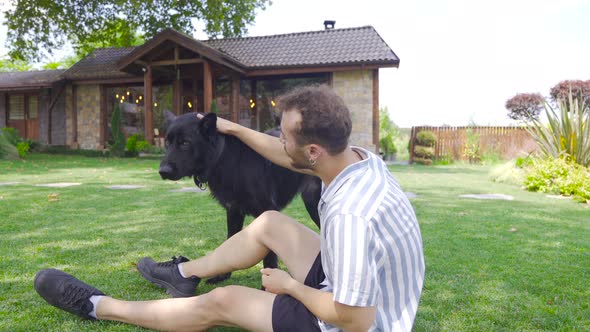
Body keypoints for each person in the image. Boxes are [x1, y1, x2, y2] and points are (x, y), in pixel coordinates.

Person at [34, 85, 425, 331]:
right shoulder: (359, 159)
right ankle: (184, 274)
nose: (279, 144)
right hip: (356, 283)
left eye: (284, 138)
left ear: (312, 151)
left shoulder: (348, 216)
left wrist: (289, 285)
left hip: (363, 321)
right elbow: (284, 154)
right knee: (269, 221)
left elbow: (356, 319)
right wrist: (233, 128)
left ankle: (100, 307)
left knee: (224, 301)